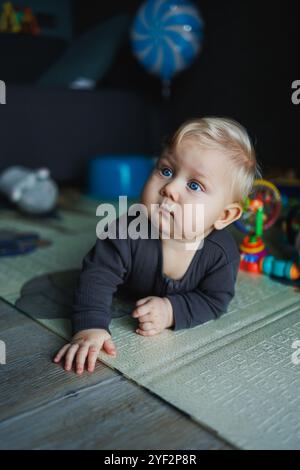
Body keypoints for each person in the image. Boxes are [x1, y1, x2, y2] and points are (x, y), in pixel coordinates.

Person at [54, 117, 260, 375]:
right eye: (166, 170)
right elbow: (97, 276)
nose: (170, 188)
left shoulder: (221, 255)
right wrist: (89, 327)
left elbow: (214, 300)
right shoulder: (124, 232)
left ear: (224, 216)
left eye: (194, 185)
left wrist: (172, 311)